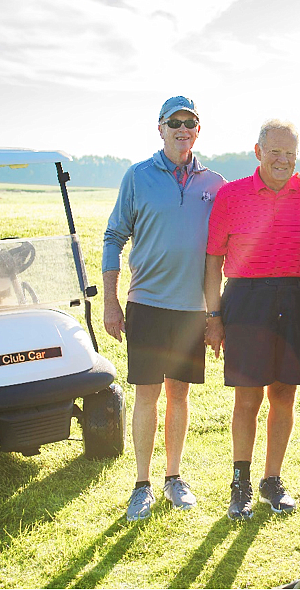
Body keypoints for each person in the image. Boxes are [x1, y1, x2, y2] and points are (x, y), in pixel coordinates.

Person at [102, 96, 226, 522]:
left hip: (192, 310)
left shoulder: (215, 183)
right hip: (147, 304)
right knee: (147, 395)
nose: (182, 129)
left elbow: (224, 249)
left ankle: (174, 478)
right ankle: (142, 484)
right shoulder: (138, 176)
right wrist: (111, 301)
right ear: (160, 128)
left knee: (180, 394)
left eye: (189, 122)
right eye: (174, 122)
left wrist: (217, 314)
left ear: (197, 130)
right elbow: (113, 237)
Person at [203, 119, 300, 521]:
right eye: (275, 151)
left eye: (290, 154)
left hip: (297, 297)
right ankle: (239, 483)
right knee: (248, 396)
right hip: (245, 299)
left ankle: (272, 480)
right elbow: (212, 262)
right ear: (258, 151)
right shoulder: (231, 194)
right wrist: (214, 317)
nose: (283, 160)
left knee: (284, 395)